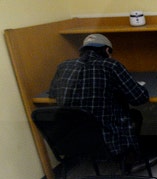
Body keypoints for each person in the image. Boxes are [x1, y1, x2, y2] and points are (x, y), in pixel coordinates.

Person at [49, 33, 151, 163]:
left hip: (71, 138)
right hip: (107, 138)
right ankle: (131, 160)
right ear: (107, 50)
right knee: (134, 115)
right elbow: (139, 98)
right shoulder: (111, 66)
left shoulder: (63, 66)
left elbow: (52, 94)